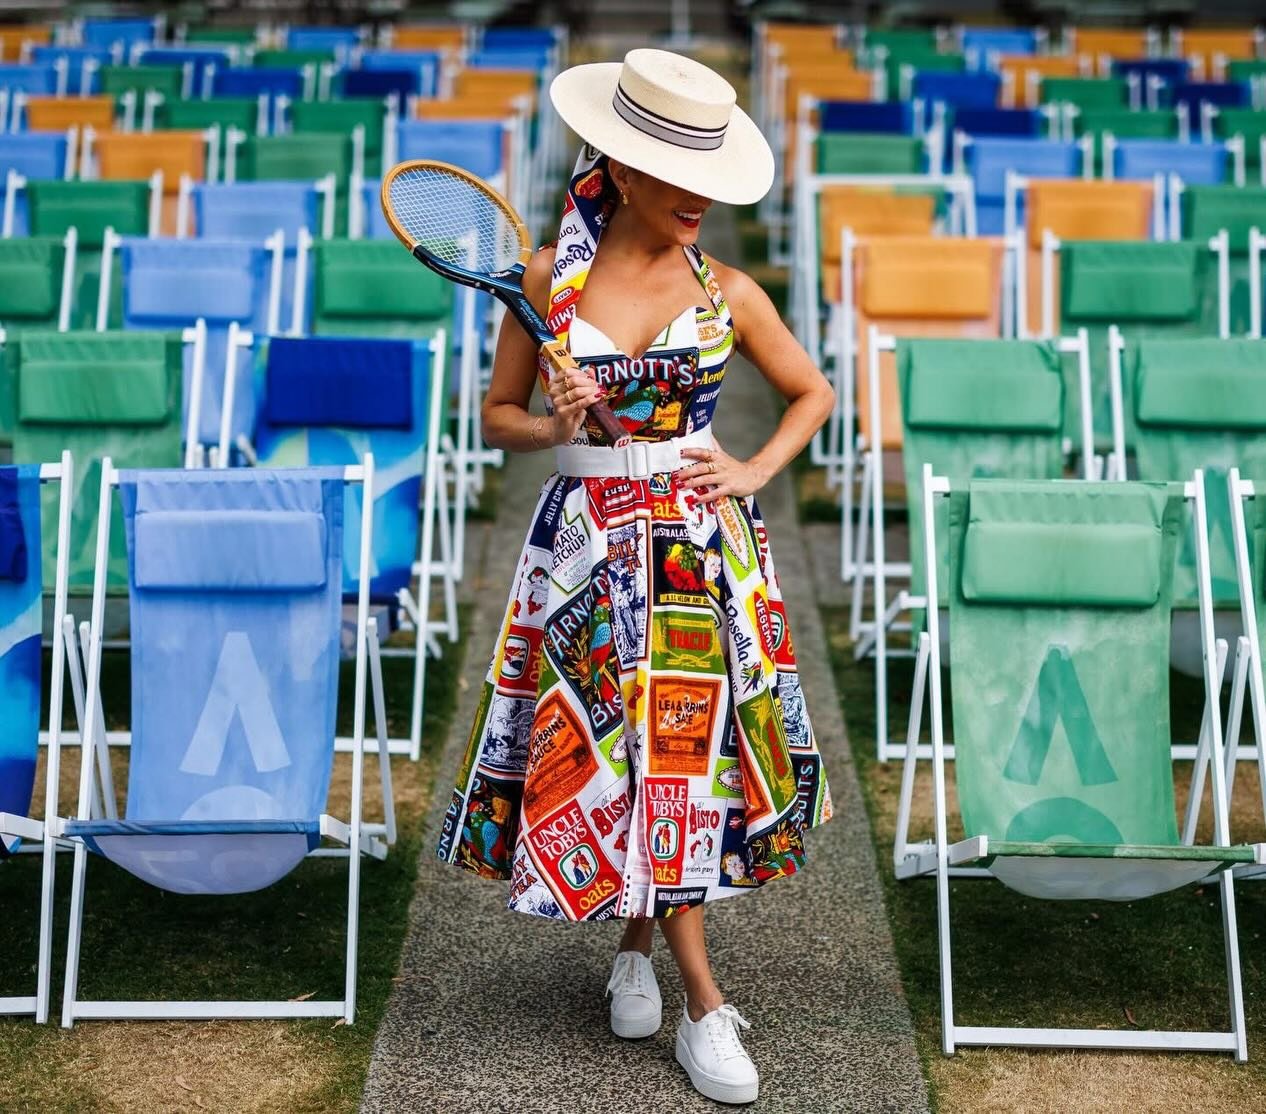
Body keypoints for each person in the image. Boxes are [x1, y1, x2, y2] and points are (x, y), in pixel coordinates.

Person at [435, 47, 835, 1105]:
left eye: (710, 176)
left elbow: (814, 392)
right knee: (626, 760)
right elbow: (499, 418)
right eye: (678, 176)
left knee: (679, 766)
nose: (700, 198)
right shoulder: (544, 283)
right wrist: (553, 422)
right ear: (619, 166)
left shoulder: (729, 291)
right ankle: (648, 962)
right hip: (583, 554)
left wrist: (751, 470)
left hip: (700, 555)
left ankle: (696, 1001)